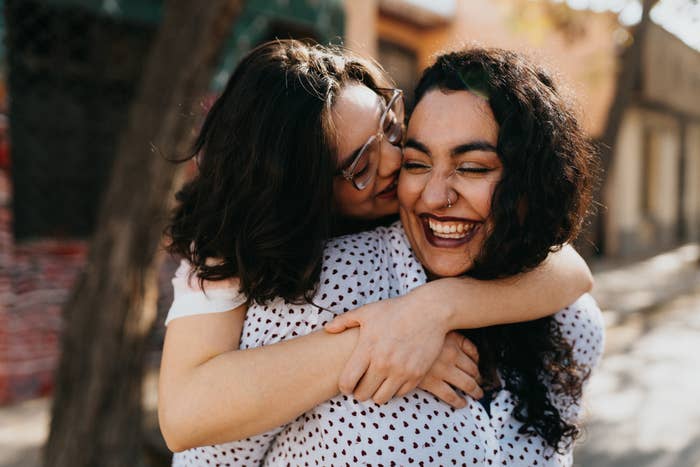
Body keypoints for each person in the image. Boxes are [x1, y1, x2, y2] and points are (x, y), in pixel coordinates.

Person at [158, 41, 598, 464]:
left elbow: (569, 270)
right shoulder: (254, 264)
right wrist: (377, 344)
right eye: (361, 167)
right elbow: (186, 418)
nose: (394, 161)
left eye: (391, 128)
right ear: (309, 197)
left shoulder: (564, 319)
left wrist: (433, 310)